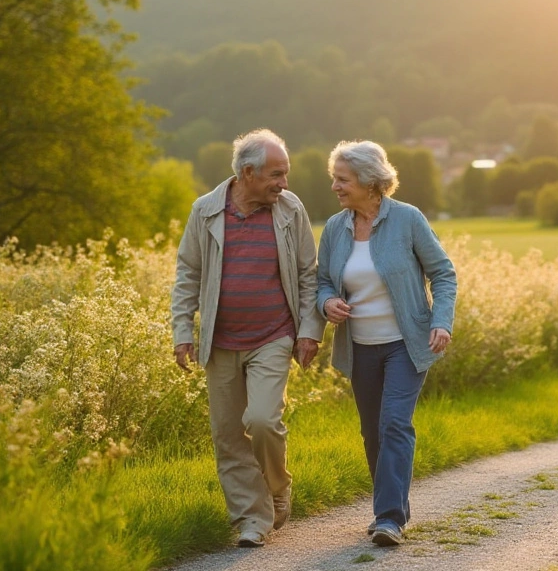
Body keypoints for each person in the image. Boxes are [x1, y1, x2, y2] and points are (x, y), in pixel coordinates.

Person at [170, 129, 324, 548]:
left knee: (261, 420)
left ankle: (277, 486)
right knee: (227, 434)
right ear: (248, 172)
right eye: (276, 174)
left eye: (285, 174)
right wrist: (183, 331)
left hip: (273, 335)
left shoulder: (290, 210)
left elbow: (309, 277)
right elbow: (188, 274)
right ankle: (251, 519)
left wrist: (309, 332)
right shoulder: (205, 211)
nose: (284, 183)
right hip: (219, 342)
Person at [316, 140, 457, 547]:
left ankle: (389, 518)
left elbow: (443, 274)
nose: (336, 187)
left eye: (342, 179)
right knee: (372, 433)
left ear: (369, 181)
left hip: (405, 343)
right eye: (334, 179)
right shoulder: (335, 228)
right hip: (360, 347)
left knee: (394, 424)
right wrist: (327, 301)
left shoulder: (407, 220)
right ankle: (393, 506)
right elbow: (324, 279)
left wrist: (441, 321)